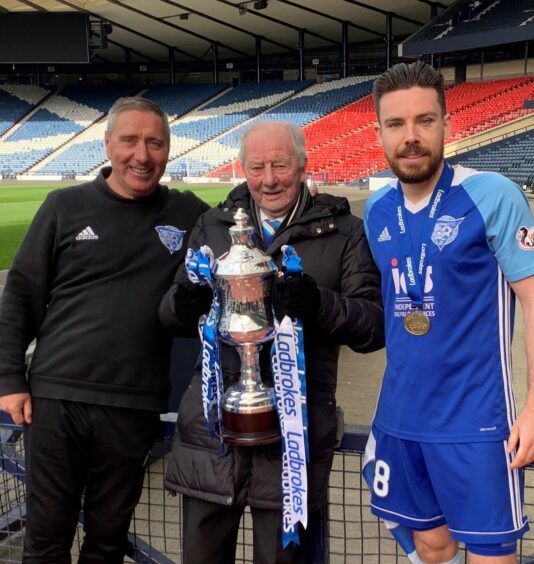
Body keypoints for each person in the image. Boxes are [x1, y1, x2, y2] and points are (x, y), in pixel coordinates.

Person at [159, 120, 385, 563]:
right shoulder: (214, 225)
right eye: (257, 167)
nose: (268, 180)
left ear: (302, 165)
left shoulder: (344, 232)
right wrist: (184, 304)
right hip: (213, 436)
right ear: (241, 168)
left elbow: (373, 326)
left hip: (292, 445)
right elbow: (167, 312)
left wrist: (318, 304)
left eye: (280, 165)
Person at [0, 96, 209, 563]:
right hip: (57, 399)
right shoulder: (63, 207)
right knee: (46, 539)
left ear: (169, 150)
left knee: (107, 541)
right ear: (108, 144)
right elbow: (20, 295)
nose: (142, 155)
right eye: (130, 140)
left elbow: (243, 219)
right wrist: (11, 379)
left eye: (155, 143)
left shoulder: (187, 213)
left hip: (132, 405)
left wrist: (304, 191)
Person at [363, 61, 534, 564]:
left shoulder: (492, 195)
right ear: (380, 133)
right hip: (401, 418)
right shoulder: (376, 210)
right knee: (430, 547)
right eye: (396, 124)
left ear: (447, 125)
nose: (410, 137)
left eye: (424, 121)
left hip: (477, 423)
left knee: (490, 557)